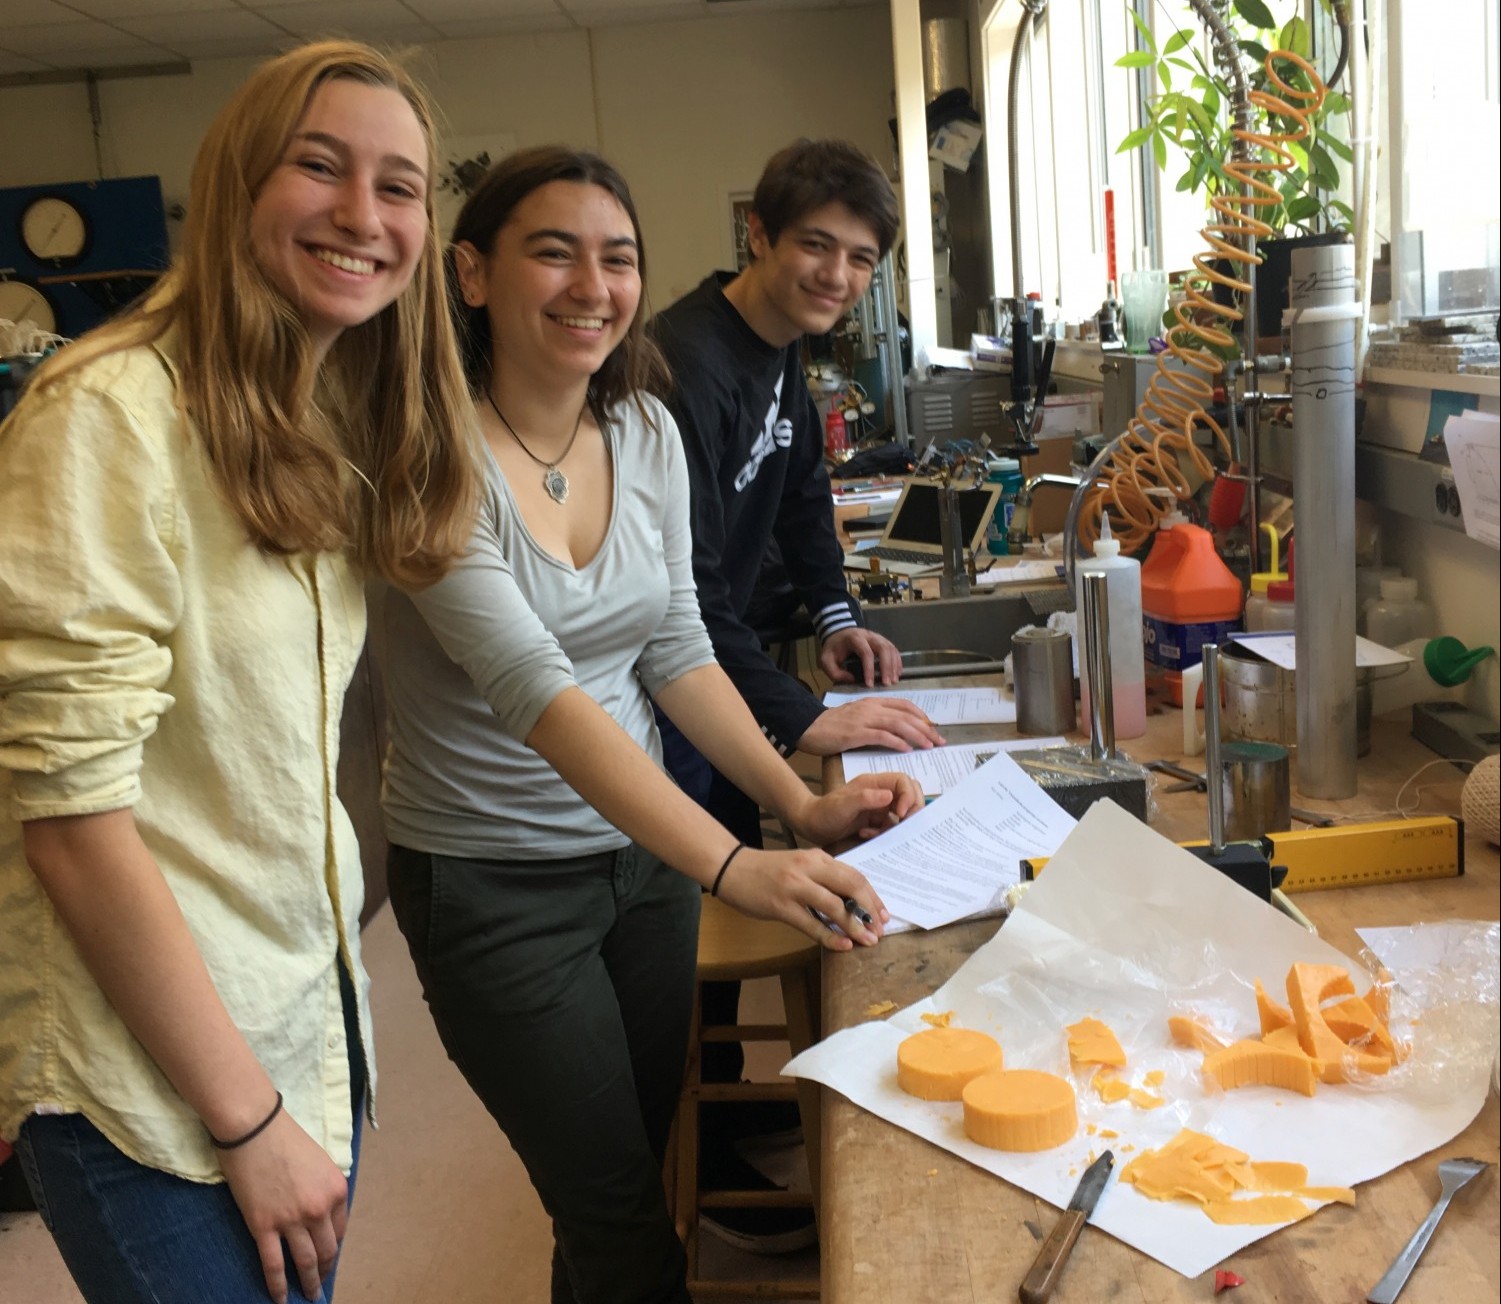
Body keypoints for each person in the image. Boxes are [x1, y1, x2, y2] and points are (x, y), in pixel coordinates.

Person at [368, 145, 922, 1304]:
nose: (591, 286)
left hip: (640, 871)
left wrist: (799, 800)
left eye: (616, 258)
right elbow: (537, 693)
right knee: (622, 1220)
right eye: (552, 252)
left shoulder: (645, 434)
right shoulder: (427, 457)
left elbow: (676, 647)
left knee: (635, 1155)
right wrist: (734, 862)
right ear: (470, 273)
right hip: (495, 885)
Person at [0, 42, 480, 1304]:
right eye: (317, 166)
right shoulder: (105, 414)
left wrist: (295, 1086)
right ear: (232, 185)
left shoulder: (310, 417)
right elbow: (74, 827)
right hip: (153, 1077)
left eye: (399, 186)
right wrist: (249, 1119)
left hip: (295, 1020)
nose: (362, 216)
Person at [650, 138, 943, 1249]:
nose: (836, 274)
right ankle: (703, 1170)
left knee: (727, 888)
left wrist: (833, 622)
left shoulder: (776, 354)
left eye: (861, 258)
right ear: (758, 237)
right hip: (664, 699)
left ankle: (725, 1137)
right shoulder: (684, 366)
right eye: (815, 245)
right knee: (695, 917)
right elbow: (683, 592)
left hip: (714, 675)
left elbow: (799, 499)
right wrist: (801, 715)